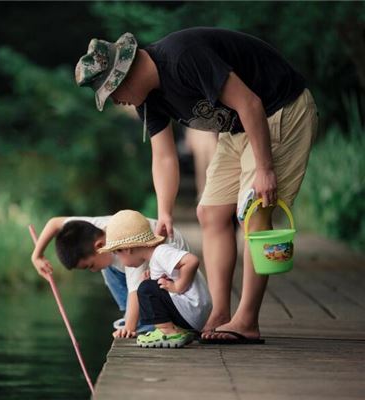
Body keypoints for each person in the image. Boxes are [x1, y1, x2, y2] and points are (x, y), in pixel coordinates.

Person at [75, 28, 318, 343]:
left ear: (125, 73)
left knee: (254, 212)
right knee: (210, 213)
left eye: (112, 92)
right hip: (239, 127)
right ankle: (220, 313)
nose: (116, 100)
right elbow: (163, 157)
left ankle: (246, 320)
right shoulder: (148, 99)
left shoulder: (183, 57)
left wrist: (264, 168)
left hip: (280, 109)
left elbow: (250, 102)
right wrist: (165, 213)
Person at [31, 215, 189, 338]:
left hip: (172, 271)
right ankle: (135, 318)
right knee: (106, 266)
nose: (92, 271)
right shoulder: (90, 230)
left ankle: (144, 323)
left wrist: (129, 328)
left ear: (99, 245)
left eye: (90, 266)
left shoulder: (129, 247)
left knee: (134, 286)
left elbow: (135, 290)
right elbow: (54, 223)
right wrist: (37, 255)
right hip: (136, 265)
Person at [98, 209, 212, 348]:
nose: (120, 261)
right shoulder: (155, 259)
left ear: (127, 249)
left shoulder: (161, 252)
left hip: (193, 310)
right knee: (147, 284)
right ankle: (179, 331)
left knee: (145, 289)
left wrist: (178, 286)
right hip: (191, 314)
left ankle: (167, 332)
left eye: (117, 253)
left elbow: (192, 261)